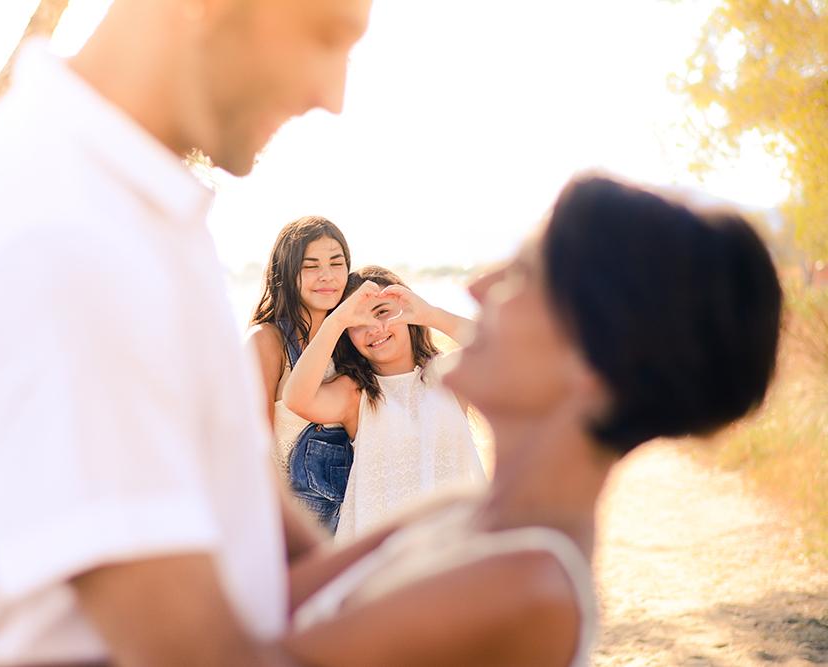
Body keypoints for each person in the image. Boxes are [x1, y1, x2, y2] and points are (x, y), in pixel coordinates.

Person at [0, 0, 373, 665]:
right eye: (324, 36)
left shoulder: (133, 215)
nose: (333, 95)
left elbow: (271, 557)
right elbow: (200, 654)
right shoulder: (58, 237)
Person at [275, 175, 783, 666]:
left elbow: (244, 653)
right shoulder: (457, 510)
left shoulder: (528, 584)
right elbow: (279, 605)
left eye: (523, 274)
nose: (477, 285)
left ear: (591, 361)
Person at [283, 265, 486, 541]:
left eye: (382, 313)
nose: (374, 330)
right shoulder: (357, 393)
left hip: (457, 546)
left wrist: (430, 314)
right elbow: (296, 398)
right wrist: (337, 321)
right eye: (357, 326)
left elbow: (505, 346)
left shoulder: (448, 375)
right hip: (385, 558)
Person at [247, 216, 354, 532]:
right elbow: (253, 446)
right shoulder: (268, 341)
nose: (327, 276)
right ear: (286, 272)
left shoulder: (351, 343)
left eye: (337, 263)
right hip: (293, 527)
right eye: (311, 266)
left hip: (352, 522)